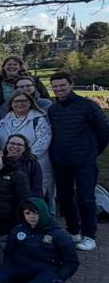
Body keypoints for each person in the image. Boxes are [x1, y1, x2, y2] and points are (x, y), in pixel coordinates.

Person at [46, 71, 109, 251]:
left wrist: (92, 151)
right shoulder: (53, 109)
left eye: (62, 85)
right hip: (61, 161)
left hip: (84, 161)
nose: (59, 89)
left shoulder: (88, 106)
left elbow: (104, 131)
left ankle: (89, 235)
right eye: (55, 86)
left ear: (71, 84)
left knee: (85, 198)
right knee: (65, 198)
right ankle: (73, 231)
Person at [0, 89, 52, 199]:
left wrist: (27, 156)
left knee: (37, 195)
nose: (20, 104)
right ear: (11, 103)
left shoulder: (38, 119)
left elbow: (44, 140)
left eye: (24, 101)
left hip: (34, 163)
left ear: (30, 102)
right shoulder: (5, 120)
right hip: (9, 163)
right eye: (16, 101)